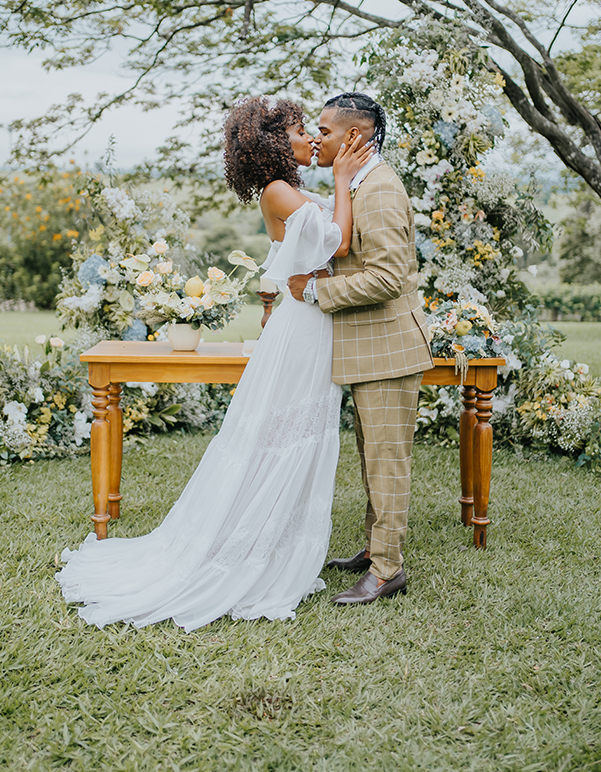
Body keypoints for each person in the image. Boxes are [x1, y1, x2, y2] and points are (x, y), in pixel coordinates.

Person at [56, 96, 372, 631]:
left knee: (296, 432)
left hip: (312, 324)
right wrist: (342, 178)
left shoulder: (290, 189)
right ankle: (249, 551)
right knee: (278, 437)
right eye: (301, 131)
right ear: (277, 143)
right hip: (301, 331)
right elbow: (336, 243)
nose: (311, 139)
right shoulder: (278, 191)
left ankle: (273, 542)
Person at [287, 93, 433, 607]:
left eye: (324, 130)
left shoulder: (382, 190)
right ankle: (376, 550)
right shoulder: (358, 183)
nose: (315, 137)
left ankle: (388, 569)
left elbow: (389, 277)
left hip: (388, 348)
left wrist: (312, 291)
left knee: (387, 460)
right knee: (373, 457)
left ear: (354, 136)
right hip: (366, 348)